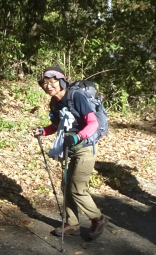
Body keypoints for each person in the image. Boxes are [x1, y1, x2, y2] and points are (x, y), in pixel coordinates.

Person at [31, 65, 105, 238]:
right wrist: (42, 131)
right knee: (66, 186)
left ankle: (98, 218)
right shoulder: (55, 102)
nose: (48, 86)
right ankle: (72, 223)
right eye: (45, 83)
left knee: (77, 188)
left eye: (52, 82)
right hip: (70, 147)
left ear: (61, 81)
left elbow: (93, 123)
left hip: (85, 147)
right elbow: (57, 126)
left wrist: (78, 137)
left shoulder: (76, 96)